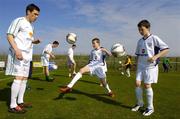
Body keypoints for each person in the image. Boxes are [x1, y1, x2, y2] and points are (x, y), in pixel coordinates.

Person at [5, 3, 40, 113]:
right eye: (35, 14)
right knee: (18, 78)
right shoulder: (19, 21)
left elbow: (27, 40)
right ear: (28, 12)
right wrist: (16, 50)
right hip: (19, 54)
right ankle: (12, 105)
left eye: (38, 15)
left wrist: (34, 41)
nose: (36, 17)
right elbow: (9, 35)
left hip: (27, 56)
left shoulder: (31, 26)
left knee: (24, 79)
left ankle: (20, 101)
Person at [131, 20, 169, 116]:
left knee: (147, 85)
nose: (140, 31)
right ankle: (140, 103)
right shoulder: (140, 41)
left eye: (142, 29)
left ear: (148, 28)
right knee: (137, 83)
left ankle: (150, 107)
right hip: (140, 66)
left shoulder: (154, 38)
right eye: (139, 30)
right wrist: (136, 64)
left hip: (150, 66)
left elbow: (166, 49)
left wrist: (155, 57)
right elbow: (138, 55)